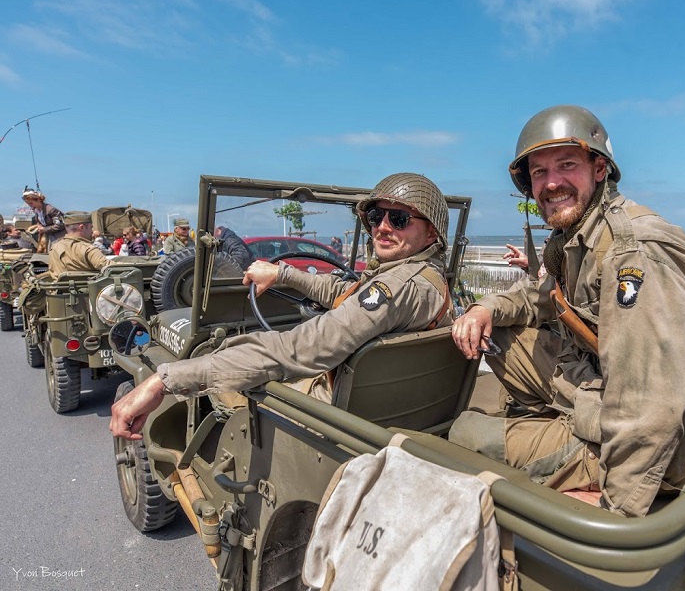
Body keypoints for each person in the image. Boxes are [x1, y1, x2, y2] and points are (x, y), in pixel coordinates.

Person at [449, 105, 685, 518]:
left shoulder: (632, 252)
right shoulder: (577, 237)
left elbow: (652, 406)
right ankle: (558, 431)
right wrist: (484, 307)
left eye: (566, 165)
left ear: (599, 169)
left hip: (661, 441)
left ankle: (585, 462)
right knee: (504, 336)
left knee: (465, 432)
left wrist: (614, 512)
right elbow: (538, 295)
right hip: (600, 388)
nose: (551, 182)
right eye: (539, 172)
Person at [110, 172, 453, 438]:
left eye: (400, 219)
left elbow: (294, 349)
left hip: (337, 417)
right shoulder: (426, 280)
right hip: (396, 410)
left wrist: (164, 380)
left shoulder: (395, 289)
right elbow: (348, 292)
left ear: (432, 234)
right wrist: (285, 274)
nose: (381, 227)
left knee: (231, 385)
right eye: (377, 216)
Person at [48, 212, 112, 277]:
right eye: (91, 227)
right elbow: (113, 268)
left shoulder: (54, 248)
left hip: (58, 286)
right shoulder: (88, 249)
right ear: (82, 227)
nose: (92, 231)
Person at [21, 186, 65, 251]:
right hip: (47, 237)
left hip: (57, 237)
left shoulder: (51, 210)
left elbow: (60, 225)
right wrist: (39, 226)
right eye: (28, 204)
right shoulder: (36, 210)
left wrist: (45, 229)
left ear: (38, 200)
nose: (30, 205)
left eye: (31, 203)